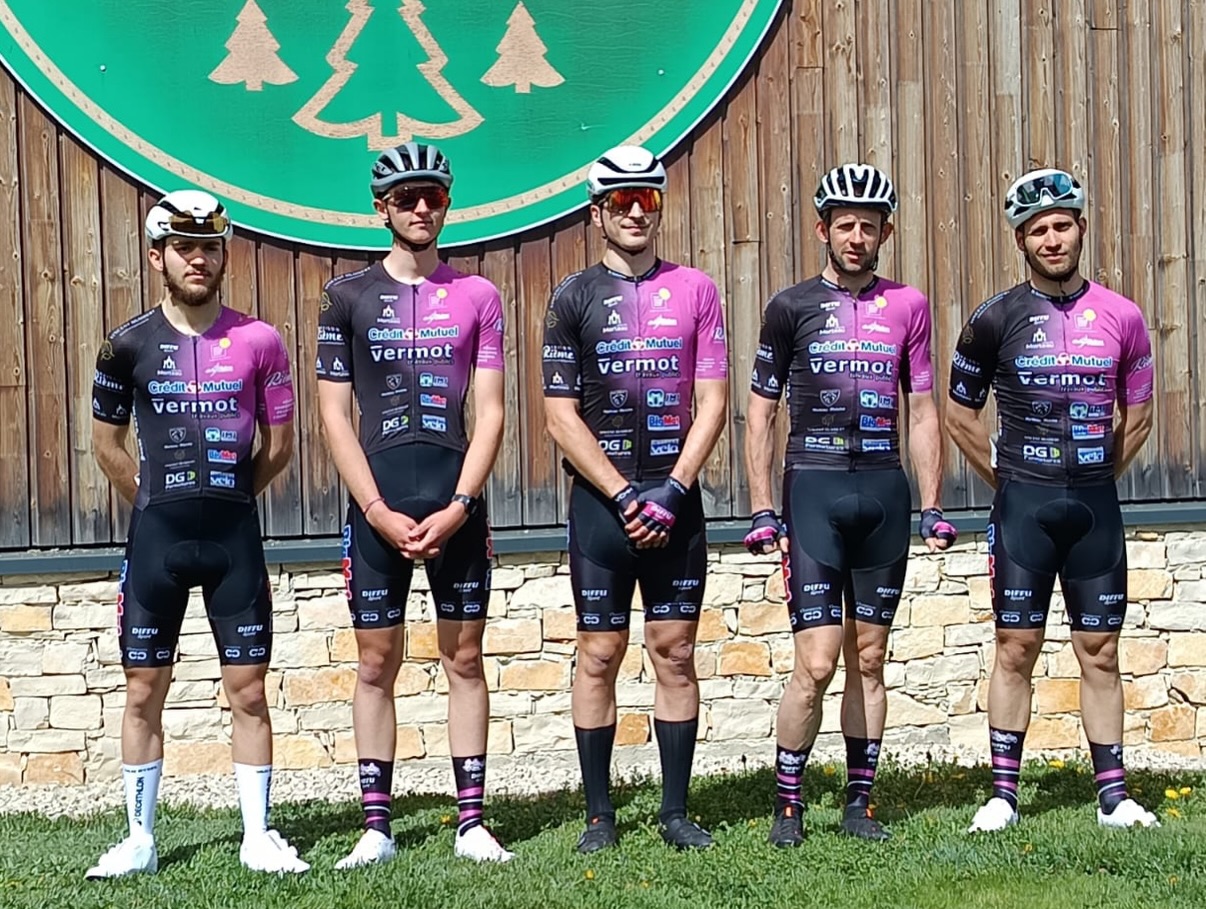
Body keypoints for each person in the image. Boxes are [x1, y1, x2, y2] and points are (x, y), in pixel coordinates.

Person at [87, 190, 306, 878]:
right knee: (141, 691)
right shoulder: (125, 345)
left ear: (223, 255)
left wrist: (229, 497)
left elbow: (278, 446)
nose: (198, 259)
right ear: (158, 257)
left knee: (250, 691)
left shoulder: (260, 341)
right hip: (157, 540)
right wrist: (156, 501)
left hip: (233, 539)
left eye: (209, 247)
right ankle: (139, 839)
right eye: (183, 247)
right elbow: (105, 444)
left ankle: (257, 835)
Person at [744, 163, 955, 847]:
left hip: (883, 491)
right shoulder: (790, 307)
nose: (856, 236)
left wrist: (932, 503)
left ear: (885, 233)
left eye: (869, 225)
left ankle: (860, 802)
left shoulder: (909, 306)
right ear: (823, 230)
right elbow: (760, 412)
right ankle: (788, 802)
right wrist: (761, 507)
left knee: (870, 658)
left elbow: (922, 410)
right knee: (816, 662)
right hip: (814, 488)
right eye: (845, 225)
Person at [947, 167, 1158, 832]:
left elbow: (1139, 416)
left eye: (1062, 225)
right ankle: (1003, 796)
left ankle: (1114, 797)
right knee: (1015, 645)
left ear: (1081, 228)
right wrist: (1007, 481)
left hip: (1095, 506)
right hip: (1023, 506)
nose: (1052, 238)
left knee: (1101, 650)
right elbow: (959, 415)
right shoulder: (994, 318)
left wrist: (1096, 474)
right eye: (1038, 229)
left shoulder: (1124, 316)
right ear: (1021, 240)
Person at [317, 142, 510, 867]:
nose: (421, 207)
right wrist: (372, 509)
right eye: (406, 197)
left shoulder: (479, 295)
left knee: (465, 657)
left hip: (455, 499)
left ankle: (471, 822)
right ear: (382, 208)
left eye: (433, 195)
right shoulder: (346, 297)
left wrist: (462, 502)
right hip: (380, 504)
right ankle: (377, 826)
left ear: (448, 203)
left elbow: (490, 412)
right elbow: (334, 415)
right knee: (375, 662)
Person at [543, 145, 728, 853]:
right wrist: (623, 495)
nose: (634, 212)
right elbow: (560, 416)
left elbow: (712, 402)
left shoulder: (696, 289)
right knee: (599, 652)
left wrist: (675, 490)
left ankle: (675, 812)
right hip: (603, 505)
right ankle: (600, 815)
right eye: (620, 202)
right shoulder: (572, 297)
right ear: (597, 213)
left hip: (675, 499)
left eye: (646, 199)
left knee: (674, 650)